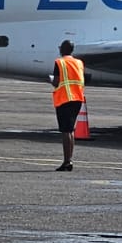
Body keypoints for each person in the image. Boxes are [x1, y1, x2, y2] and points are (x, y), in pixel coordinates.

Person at [49, 39, 86, 172]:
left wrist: (51, 80)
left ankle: (67, 161)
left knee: (66, 131)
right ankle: (69, 159)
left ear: (62, 49)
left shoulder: (60, 62)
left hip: (65, 98)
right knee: (70, 130)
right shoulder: (79, 62)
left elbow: (57, 82)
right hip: (77, 98)